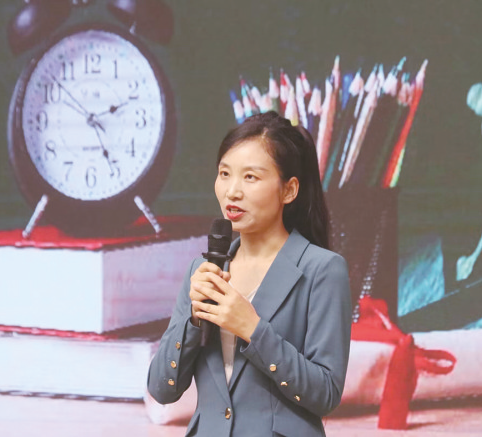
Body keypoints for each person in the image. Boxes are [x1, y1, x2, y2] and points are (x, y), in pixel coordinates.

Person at [147, 111, 351, 436]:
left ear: (289, 190)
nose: (232, 191)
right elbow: (162, 389)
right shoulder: (204, 271)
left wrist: (252, 329)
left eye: (250, 177)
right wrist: (193, 321)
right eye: (224, 173)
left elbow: (325, 394)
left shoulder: (322, 269)